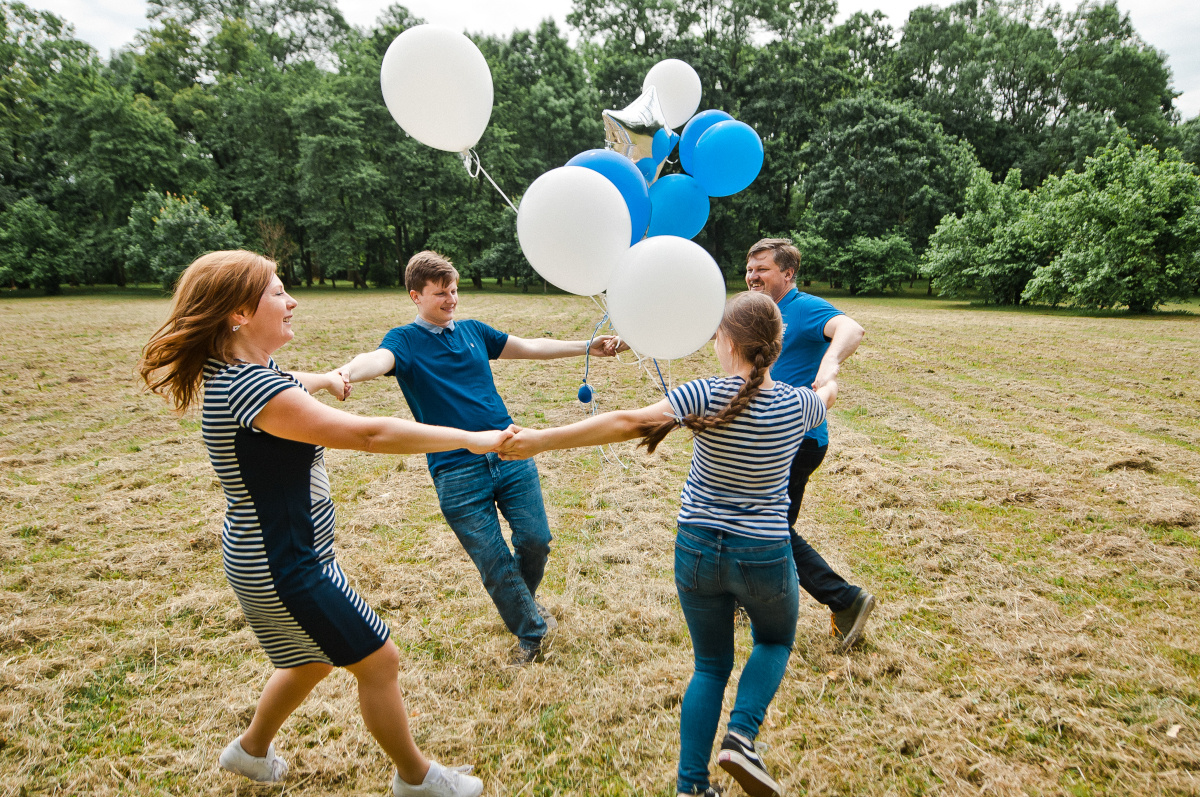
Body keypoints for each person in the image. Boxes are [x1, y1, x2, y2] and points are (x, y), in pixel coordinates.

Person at [138, 250, 501, 797]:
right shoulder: (253, 389)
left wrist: (326, 380)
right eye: (279, 293)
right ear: (239, 313)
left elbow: (288, 382)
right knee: (380, 660)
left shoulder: (242, 373)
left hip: (263, 553)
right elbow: (367, 435)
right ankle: (417, 780)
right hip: (286, 564)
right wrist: (470, 438)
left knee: (310, 660)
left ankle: (250, 752)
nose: (293, 301)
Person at [499, 292, 836, 797]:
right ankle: (742, 735)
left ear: (725, 342)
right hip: (763, 550)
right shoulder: (801, 405)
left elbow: (627, 422)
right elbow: (826, 392)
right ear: (779, 345)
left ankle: (692, 787)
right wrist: (831, 370)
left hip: (697, 547)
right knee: (773, 642)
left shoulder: (703, 393)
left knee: (710, 666)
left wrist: (542, 439)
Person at [335, 251, 624, 665]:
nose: (451, 300)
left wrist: (586, 348)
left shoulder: (473, 331)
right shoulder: (404, 340)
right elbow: (378, 360)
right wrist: (347, 372)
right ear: (415, 296)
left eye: (453, 291)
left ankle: (521, 605)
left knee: (535, 541)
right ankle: (532, 632)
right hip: (455, 470)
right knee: (492, 559)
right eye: (440, 294)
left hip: (510, 450)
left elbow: (528, 347)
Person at [745, 238, 876, 652]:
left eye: (762, 269)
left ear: (787, 274)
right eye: (749, 269)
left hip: (797, 439)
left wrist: (830, 362)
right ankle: (746, 597)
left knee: (767, 528)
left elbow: (851, 328)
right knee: (762, 524)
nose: (752, 276)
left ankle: (846, 600)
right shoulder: (757, 313)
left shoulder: (803, 308)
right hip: (768, 434)